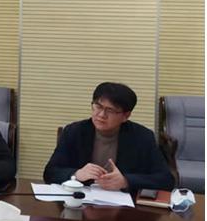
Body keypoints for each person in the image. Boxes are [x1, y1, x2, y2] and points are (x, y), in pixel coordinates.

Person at [43, 82, 173, 192]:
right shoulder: (74, 131)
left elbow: (166, 180)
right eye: (98, 106)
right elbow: (50, 172)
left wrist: (126, 181)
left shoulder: (142, 137)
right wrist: (76, 174)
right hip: (80, 200)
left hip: (123, 206)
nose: (101, 115)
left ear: (126, 116)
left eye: (110, 110)